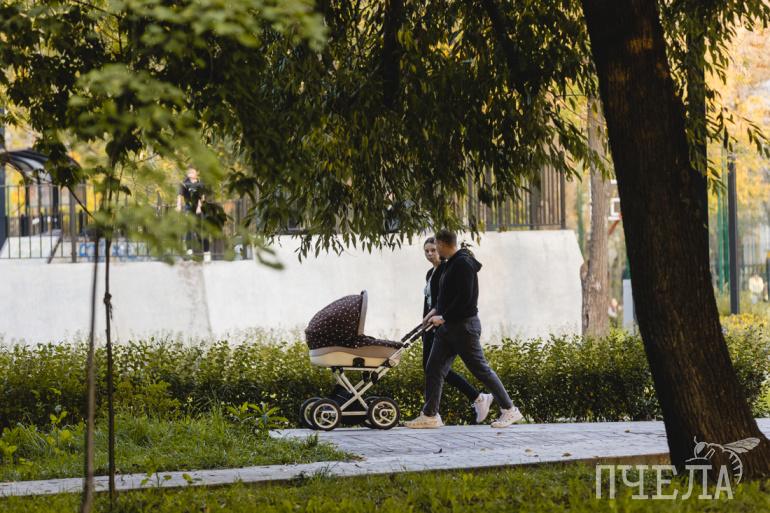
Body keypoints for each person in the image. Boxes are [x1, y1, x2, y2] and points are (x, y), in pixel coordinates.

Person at [406, 229, 523, 429]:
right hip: (447, 329)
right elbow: (447, 297)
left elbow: (466, 299)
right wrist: (433, 312)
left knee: (481, 369)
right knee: (433, 367)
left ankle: (509, 409)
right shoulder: (451, 263)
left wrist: (443, 317)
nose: (435, 251)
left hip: (463, 327)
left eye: (436, 246)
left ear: (442, 244)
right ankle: (430, 415)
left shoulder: (463, 264)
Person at [421, 237, 494, 423]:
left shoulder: (447, 269)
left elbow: (444, 301)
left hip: (444, 324)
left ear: (440, 249)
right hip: (431, 324)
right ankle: (432, 412)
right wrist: (424, 321)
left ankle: (476, 398)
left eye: (433, 250)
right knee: (431, 368)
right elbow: (429, 300)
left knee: (436, 368)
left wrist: (437, 318)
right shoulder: (430, 273)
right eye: (426, 251)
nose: (430, 254)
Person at [176, 167, 210, 260]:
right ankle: (189, 250)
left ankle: (206, 252)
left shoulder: (200, 184)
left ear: (196, 173)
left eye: (193, 172)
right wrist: (178, 205)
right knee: (188, 229)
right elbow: (179, 195)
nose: (191, 173)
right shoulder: (184, 184)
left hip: (199, 209)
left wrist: (199, 206)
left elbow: (202, 197)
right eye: (190, 172)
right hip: (189, 209)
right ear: (188, 174)